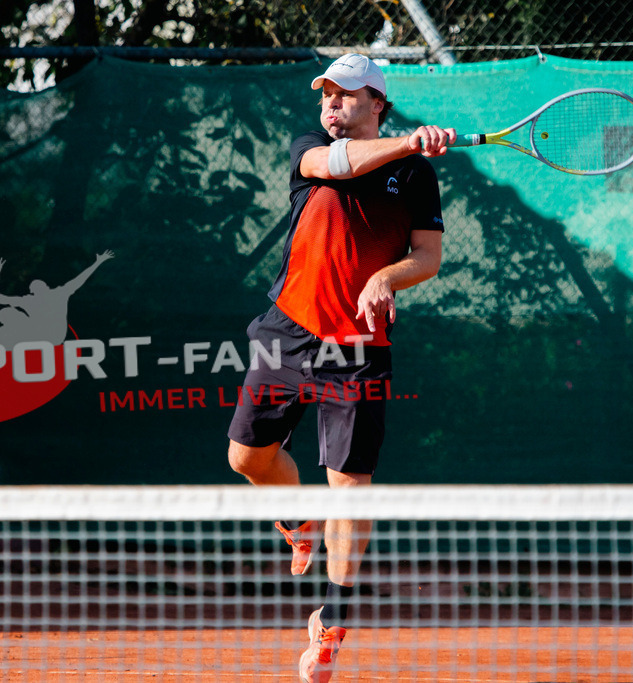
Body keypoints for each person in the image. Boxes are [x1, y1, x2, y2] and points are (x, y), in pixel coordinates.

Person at [225, 53, 455, 683]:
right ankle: (300, 523)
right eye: (325, 94)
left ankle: (332, 622)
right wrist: (410, 140)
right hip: (288, 328)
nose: (331, 105)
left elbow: (427, 256)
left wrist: (388, 276)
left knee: (351, 487)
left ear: (377, 102)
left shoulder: (413, 177)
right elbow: (339, 163)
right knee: (246, 458)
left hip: (359, 348)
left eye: (347, 95)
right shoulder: (310, 149)